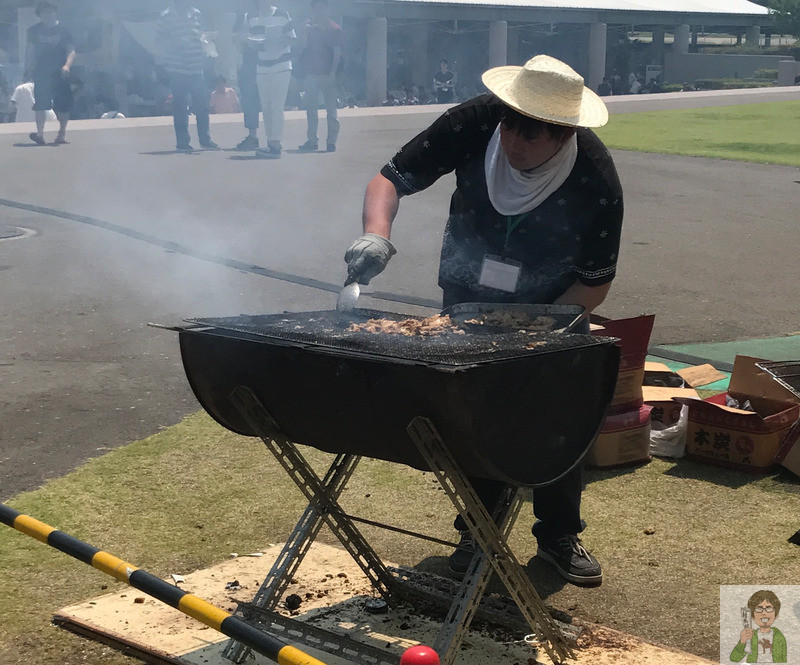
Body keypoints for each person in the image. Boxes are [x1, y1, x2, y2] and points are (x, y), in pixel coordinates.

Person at [342, 55, 623, 586]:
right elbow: (389, 178)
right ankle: (478, 533)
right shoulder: (474, 120)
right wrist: (377, 233)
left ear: (564, 135)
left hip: (554, 309)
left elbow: (595, 281)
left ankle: (559, 536)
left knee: (558, 418)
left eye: (532, 137)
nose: (515, 144)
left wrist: (535, 332)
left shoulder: (594, 178)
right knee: (472, 412)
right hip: (468, 291)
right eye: (510, 128)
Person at [235, 0, 296, 158]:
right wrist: (250, 42)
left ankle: (276, 143)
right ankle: (271, 142)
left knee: (276, 106)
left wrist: (276, 42)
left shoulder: (283, 15)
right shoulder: (252, 17)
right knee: (266, 107)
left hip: (281, 65)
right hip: (262, 66)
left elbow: (291, 37)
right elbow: (245, 38)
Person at [155, 0, 218, 152]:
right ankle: (182, 142)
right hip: (178, 69)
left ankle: (205, 139)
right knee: (180, 107)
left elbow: (201, 34)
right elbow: (159, 40)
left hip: (197, 68)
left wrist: (206, 42)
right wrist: (175, 42)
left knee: (201, 107)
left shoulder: (196, 14)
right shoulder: (166, 16)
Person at [25, 1, 76, 145]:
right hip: (41, 71)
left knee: (62, 105)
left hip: (60, 72)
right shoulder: (33, 30)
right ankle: (40, 134)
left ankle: (62, 133)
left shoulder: (64, 30)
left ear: (55, 12)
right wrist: (28, 69)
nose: (47, 15)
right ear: (40, 15)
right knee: (40, 103)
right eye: (43, 13)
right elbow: (30, 51)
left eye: (49, 11)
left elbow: (71, 50)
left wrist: (67, 65)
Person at [297, 0, 343, 153]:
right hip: (311, 74)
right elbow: (303, 48)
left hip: (327, 75)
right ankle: (312, 140)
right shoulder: (311, 28)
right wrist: (304, 33)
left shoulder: (334, 29)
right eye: (316, 8)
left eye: (322, 8)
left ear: (326, 8)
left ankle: (331, 142)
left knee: (331, 110)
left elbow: (337, 53)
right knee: (311, 109)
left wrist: (332, 74)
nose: (319, 11)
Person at [730, 590, 787, 663]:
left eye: (769, 608)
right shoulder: (750, 635)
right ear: (752, 616)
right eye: (759, 609)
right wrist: (742, 642)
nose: (764, 613)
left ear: (776, 615)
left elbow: (784, 659)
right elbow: (734, 658)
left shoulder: (779, 637)